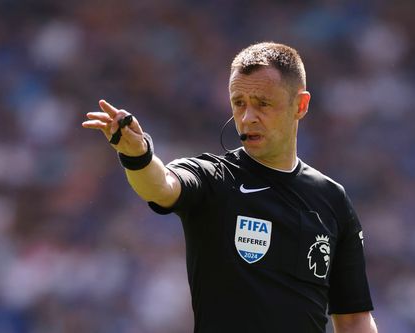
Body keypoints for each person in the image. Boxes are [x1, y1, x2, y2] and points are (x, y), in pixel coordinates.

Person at [83, 42, 377, 333]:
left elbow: (354, 320)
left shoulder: (332, 199)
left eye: (263, 103)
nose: (248, 117)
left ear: (300, 105)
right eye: (239, 103)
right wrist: (137, 156)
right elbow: (161, 186)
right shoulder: (214, 179)